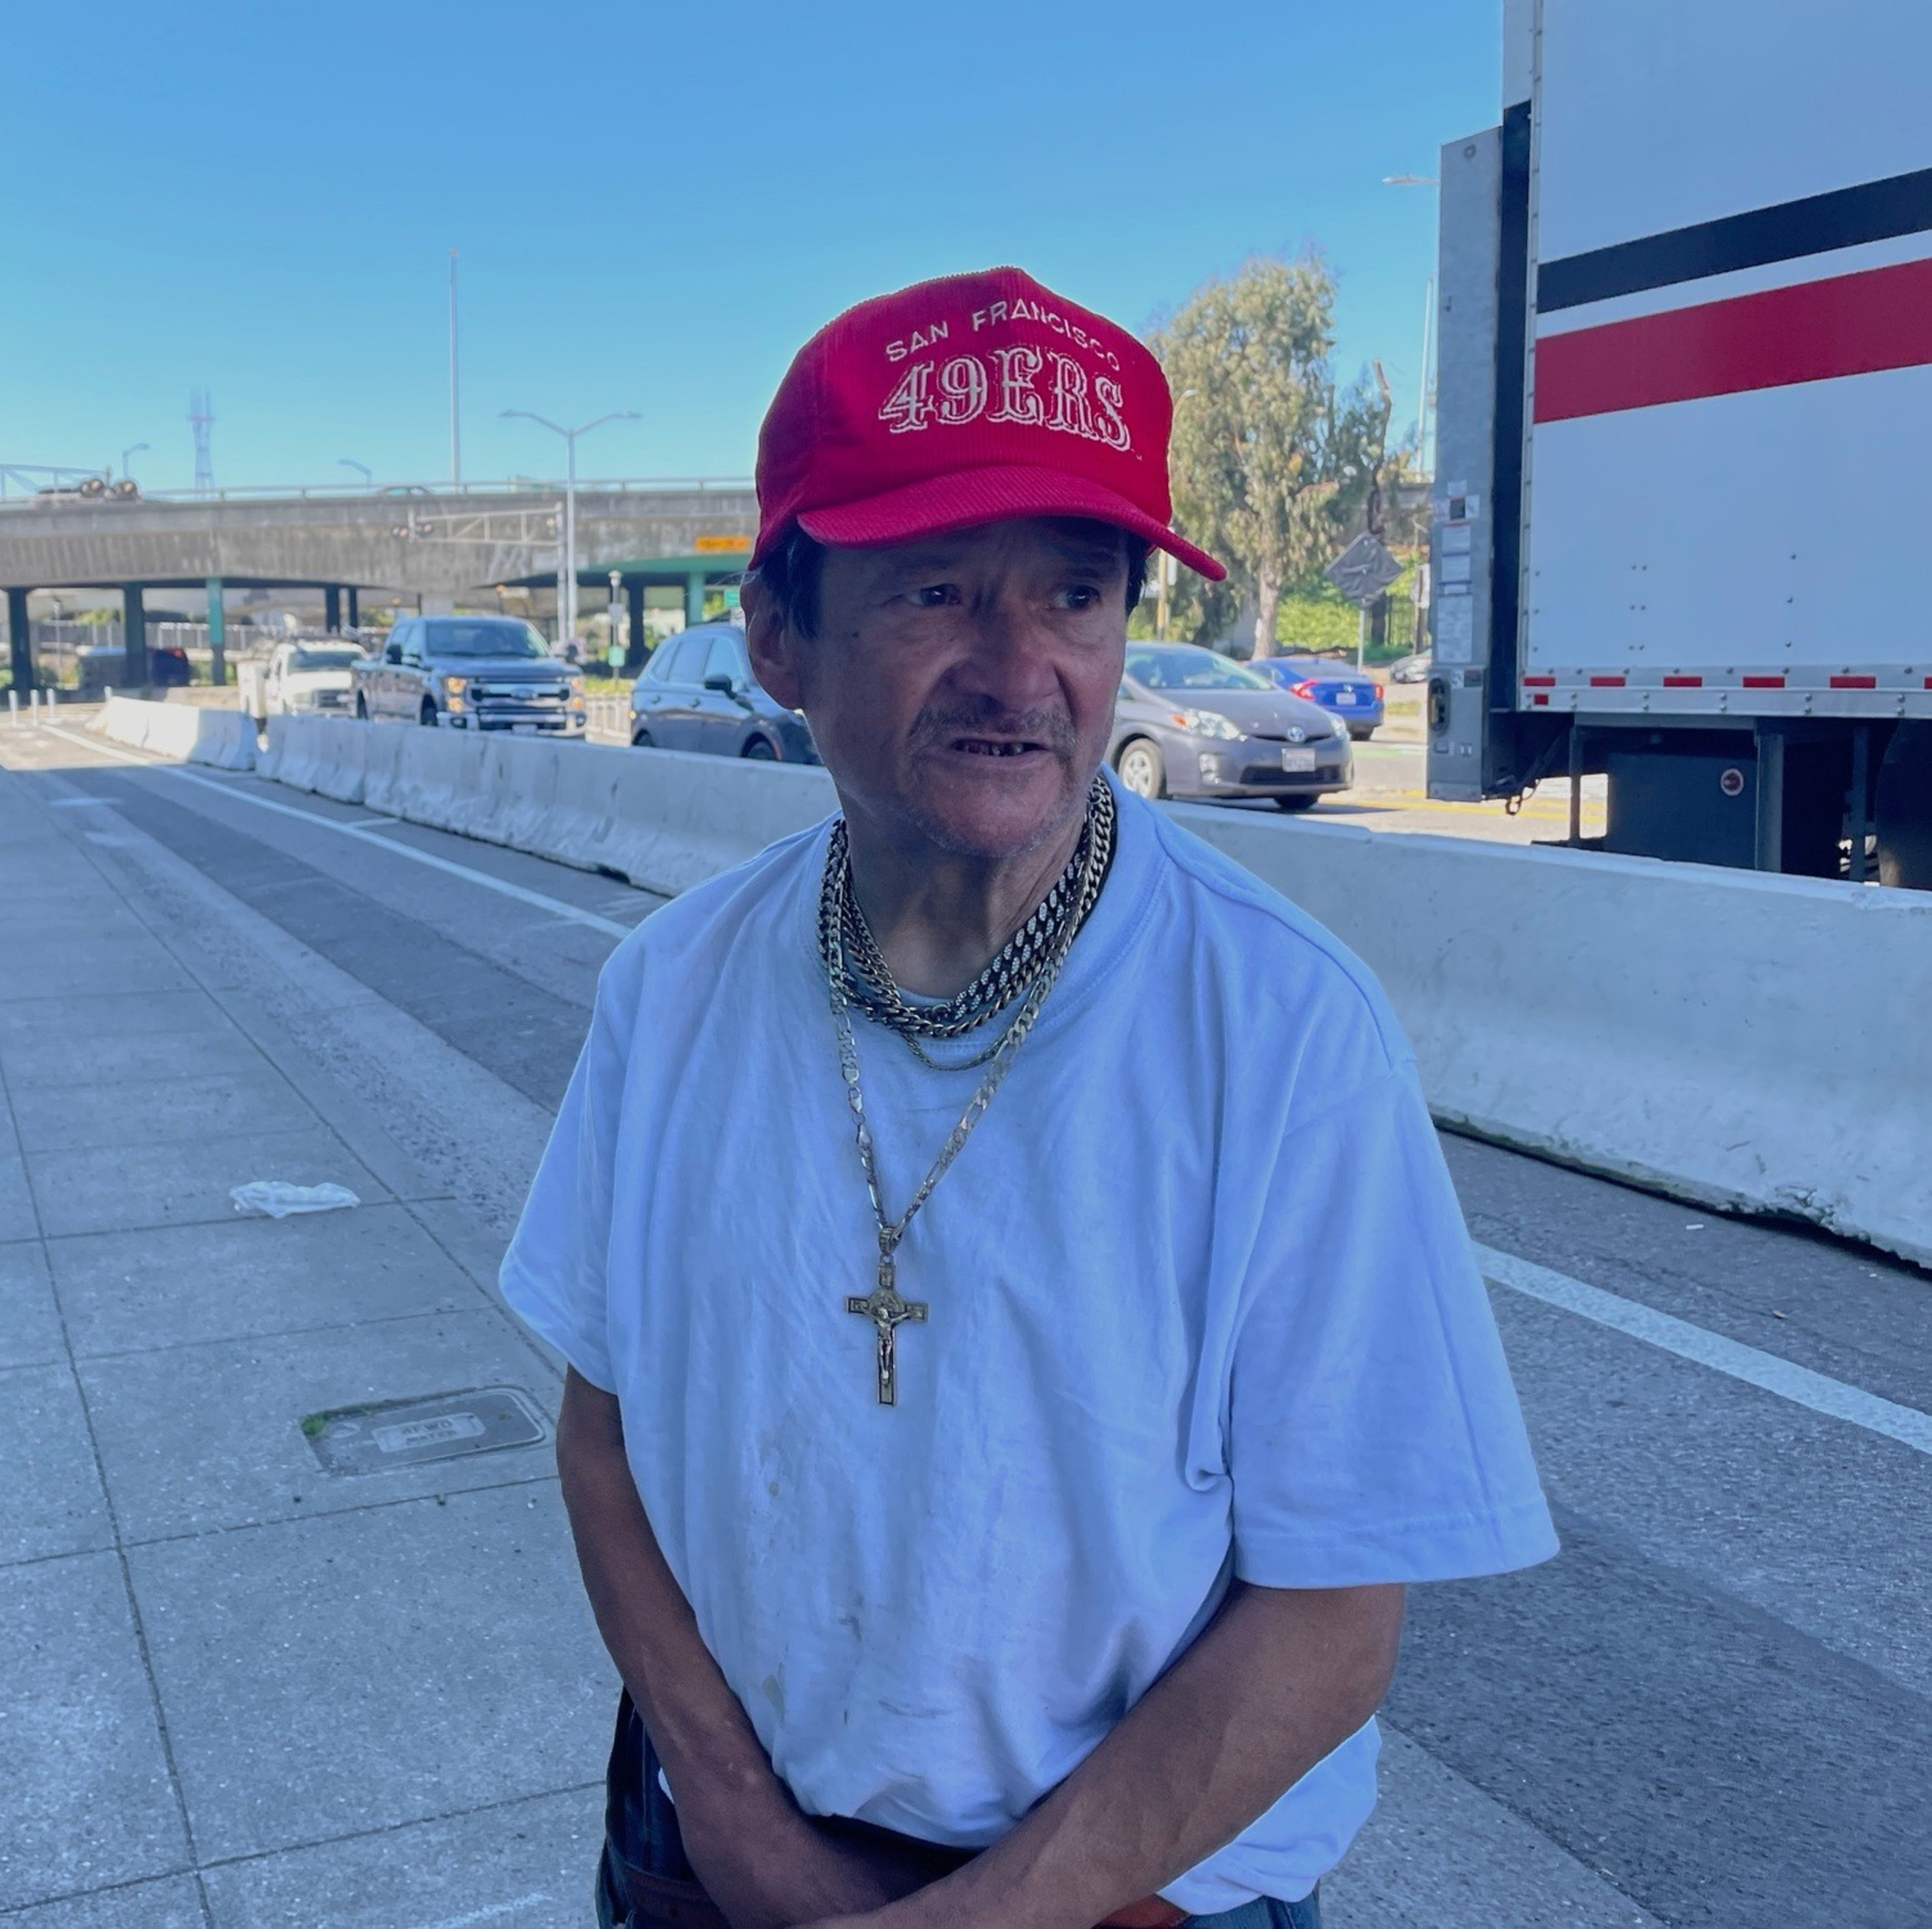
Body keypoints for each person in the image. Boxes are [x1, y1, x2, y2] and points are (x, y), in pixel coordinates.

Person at [501, 268, 1555, 1929]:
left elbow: (1335, 1612)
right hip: (706, 1856)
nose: (1019, 671)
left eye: (1072, 597)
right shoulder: (676, 988)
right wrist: (736, 1822)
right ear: (780, 634)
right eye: (933, 591)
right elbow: (603, 1438)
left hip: (1134, 1894)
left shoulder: (1278, 1030)